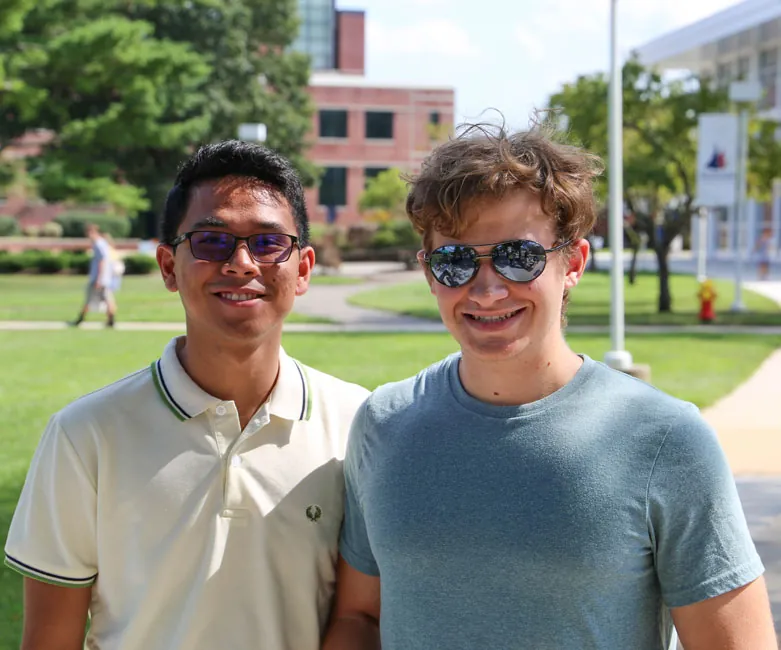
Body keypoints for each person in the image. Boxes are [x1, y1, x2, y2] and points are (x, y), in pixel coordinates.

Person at [323, 124, 777, 650]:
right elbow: (360, 618)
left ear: (574, 263)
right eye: (456, 261)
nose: (488, 288)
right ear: (429, 273)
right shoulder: (384, 423)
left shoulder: (666, 439)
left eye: (519, 257)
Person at [5, 141, 369, 650]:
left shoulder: (360, 424)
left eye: (268, 243)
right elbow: (50, 637)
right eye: (211, 240)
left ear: (303, 268)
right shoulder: (85, 434)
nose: (242, 263)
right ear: (169, 266)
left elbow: (362, 618)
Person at [71, 222, 118, 327]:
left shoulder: (98, 244)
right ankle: (110, 320)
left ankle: (81, 319)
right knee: (107, 298)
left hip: (99, 278)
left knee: (93, 298)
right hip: (103, 278)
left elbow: (102, 261)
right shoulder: (102, 243)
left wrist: (99, 278)